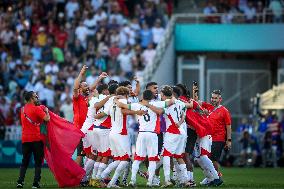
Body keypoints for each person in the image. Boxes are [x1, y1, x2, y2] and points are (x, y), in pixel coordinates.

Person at [73, 65, 107, 166]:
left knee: (90, 154)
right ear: (79, 89)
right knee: (81, 153)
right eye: (84, 86)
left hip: (90, 129)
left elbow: (91, 88)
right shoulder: (77, 97)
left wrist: (100, 78)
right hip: (80, 129)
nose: (88, 87)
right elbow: (75, 86)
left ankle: (84, 177)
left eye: (87, 85)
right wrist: (81, 73)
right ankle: (76, 178)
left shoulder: (88, 97)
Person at [16, 91, 50, 188]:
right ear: (31, 99)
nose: (37, 98)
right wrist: (46, 111)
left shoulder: (22, 109)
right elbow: (47, 119)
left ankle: (20, 181)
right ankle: (35, 183)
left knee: (25, 161)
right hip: (36, 138)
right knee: (38, 162)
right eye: (35, 97)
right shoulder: (36, 109)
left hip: (25, 139)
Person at [202, 90, 232, 177]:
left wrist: (229, 140)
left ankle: (216, 176)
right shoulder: (209, 108)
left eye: (216, 98)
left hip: (219, 138)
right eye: (212, 98)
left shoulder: (224, 110)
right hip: (208, 138)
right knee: (205, 158)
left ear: (220, 99)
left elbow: (228, 126)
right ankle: (213, 176)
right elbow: (198, 103)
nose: (213, 100)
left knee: (212, 158)